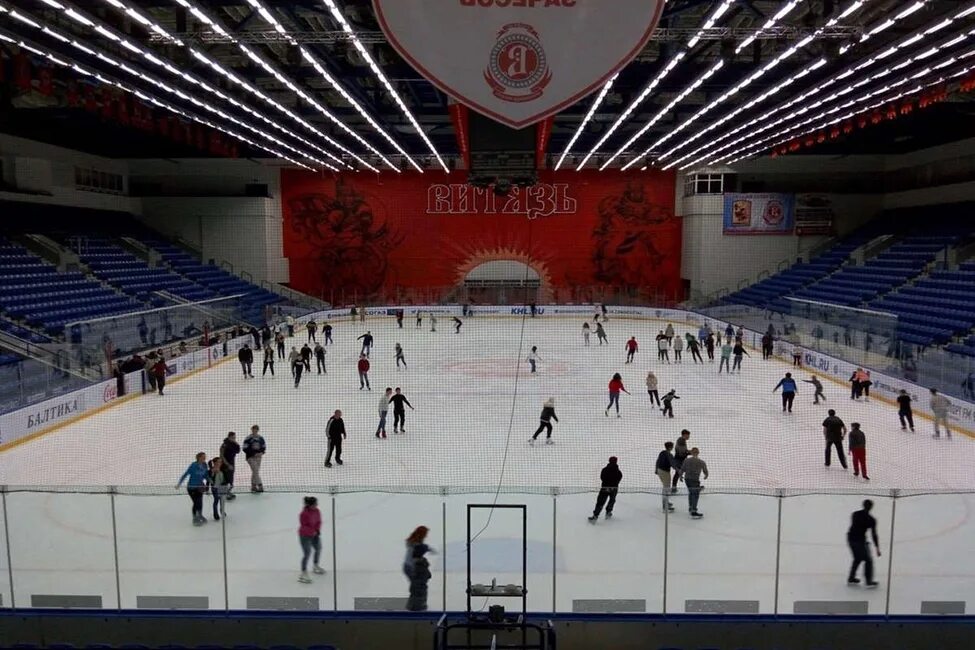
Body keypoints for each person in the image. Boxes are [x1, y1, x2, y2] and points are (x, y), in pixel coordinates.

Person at [847, 500, 880, 587]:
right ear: (871, 507)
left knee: (857, 558)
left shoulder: (855, 514)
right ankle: (868, 580)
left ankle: (851, 577)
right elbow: (874, 534)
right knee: (868, 560)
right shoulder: (871, 520)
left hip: (851, 538)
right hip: (859, 540)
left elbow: (872, 533)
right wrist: (877, 547)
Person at [404, 526, 434, 612]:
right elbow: (414, 556)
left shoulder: (414, 543)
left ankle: (415, 606)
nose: (426, 536)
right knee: (418, 588)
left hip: (412, 567)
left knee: (417, 588)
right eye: (425, 534)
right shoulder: (415, 545)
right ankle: (416, 607)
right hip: (412, 567)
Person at [177, 452, 210, 525]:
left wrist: (210, 480)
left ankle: (200, 515)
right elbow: (186, 474)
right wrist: (179, 483)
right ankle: (195, 518)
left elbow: (205, 475)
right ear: (198, 458)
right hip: (192, 488)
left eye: (205, 457)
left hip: (200, 487)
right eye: (203, 457)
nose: (204, 458)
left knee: (200, 502)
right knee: (196, 503)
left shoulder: (205, 465)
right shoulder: (193, 465)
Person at [298, 496, 326, 583]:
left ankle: (315, 565)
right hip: (305, 536)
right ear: (310, 505)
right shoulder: (303, 514)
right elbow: (304, 526)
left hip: (315, 534)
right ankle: (303, 573)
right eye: (315, 504)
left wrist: (317, 530)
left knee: (318, 548)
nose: (317, 505)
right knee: (307, 553)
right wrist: (312, 532)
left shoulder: (317, 511)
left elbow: (319, 521)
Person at [588, 456, 622, 523]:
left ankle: (595, 516)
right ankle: (608, 512)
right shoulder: (618, 472)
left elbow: (602, 478)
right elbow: (619, 479)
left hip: (605, 488)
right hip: (614, 489)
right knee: (612, 501)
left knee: (600, 502)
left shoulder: (604, 470)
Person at [681, 447, 708, 518]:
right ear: (698, 453)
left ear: (691, 453)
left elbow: (682, 469)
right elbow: (705, 471)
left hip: (687, 480)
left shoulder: (686, 460)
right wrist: (706, 475)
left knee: (691, 493)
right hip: (695, 480)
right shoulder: (701, 462)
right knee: (695, 495)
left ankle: (690, 507)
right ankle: (694, 511)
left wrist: (680, 476)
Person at [243, 425, 266, 493]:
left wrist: (261, 453)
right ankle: (260, 485)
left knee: (255, 472)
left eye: (256, 429)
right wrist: (253, 454)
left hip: (259, 457)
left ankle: (253, 486)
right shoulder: (248, 438)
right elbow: (245, 448)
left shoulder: (261, 438)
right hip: (250, 457)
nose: (255, 430)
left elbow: (263, 447)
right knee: (255, 470)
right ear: (252, 430)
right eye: (254, 429)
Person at [655, 442, 676, 513]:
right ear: (670, 447)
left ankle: (666, 502)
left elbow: (657, 461)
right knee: (666, 488)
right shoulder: (669, 455)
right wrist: (679, 470)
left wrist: (656, 469)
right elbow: (673, 464)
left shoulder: (662, 452)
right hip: (665, 472)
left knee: (665, 487)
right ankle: (665, 506)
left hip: (659, 470)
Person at [220, 432, 240, 501]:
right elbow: (221, 456)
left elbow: (238, 451)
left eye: (235, 437)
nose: (234, 439)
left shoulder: (234, 444)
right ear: (229, 437)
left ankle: (228, 492)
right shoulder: (224, 445)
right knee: (225, 479)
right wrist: (227, 465)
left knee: (230, 480)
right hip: (225, 464)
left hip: (232, 463)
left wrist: (237, 443)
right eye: (233, 437)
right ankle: (224, 494)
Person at [208, 457, 228, 521]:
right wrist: (213, 473)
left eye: (221, 462)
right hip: (215, 488)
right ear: (215, 463)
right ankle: (215, 514)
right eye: (219, 462)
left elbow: (226, 477)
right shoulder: (211, 470)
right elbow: (209, 479)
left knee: (222, 501)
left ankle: (222, 511)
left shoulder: (223, 469)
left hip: (223, 487)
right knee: (216, 500)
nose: (220, 463)